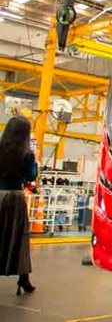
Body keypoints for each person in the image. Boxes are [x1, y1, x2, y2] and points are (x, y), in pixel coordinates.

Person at [0, 116, 37, 295]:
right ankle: (23, 279)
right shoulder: (27, 154)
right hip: (15, 198)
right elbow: (31, 176)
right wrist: (34, 163)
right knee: (20, 238)